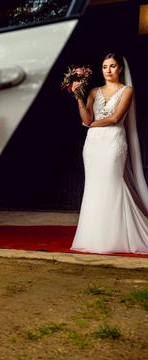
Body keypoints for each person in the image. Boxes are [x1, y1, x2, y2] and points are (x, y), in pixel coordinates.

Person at [71, 53, 148, 254]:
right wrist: (79, 97)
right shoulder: (94, 91)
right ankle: (93, 236)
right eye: (105, 66)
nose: (108, 70)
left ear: (120, 69)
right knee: (94, 187)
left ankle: (117, 236)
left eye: (113, 66)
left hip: (113, 142)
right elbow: (86, 116)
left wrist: (91, 124)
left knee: (113, 185)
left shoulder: (127, 91)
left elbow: (115, 118)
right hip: (93, 145)